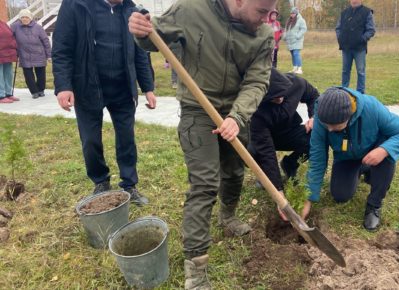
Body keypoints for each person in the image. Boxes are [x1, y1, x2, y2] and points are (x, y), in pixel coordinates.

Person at [128, 0, 277, 288]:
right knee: (205, 184)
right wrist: (141, 31)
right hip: (198, 109)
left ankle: (228, 215)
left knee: (234, 173)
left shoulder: (263, 35)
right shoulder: (192, 9)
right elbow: (153, 37)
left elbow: (258, 81)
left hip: (236, 110)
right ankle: (195, 270)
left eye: (270, 12)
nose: (265, 19)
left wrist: (237, 116)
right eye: (261, 11)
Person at [52, 0, 156, 205]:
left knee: (127, 138)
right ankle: (100, 182)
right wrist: (64, 86)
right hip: (87, 87)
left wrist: (148, 88)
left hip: (123, 87)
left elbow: (140, 52)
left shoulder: (131, 10)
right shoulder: (76, 5)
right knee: (90, 141)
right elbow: (62, 48)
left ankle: (129, 184)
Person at [306, 87, 399, 231]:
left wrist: (384, 150)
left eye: (335, 126)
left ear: (349, 116)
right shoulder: (321, 115)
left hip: (374, 151)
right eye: (327, 126)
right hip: (346, 157)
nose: (329, 130)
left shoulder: (372, 108)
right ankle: (364, 167)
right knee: (340, 195)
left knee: (387, 152)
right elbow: (318, 157)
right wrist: (309, 198)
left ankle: (374, 205)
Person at [248, 68, 318, 220]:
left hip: (289, 131)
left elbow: (313, 96)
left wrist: (314, 116)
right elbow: (266, 152)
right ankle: (266, 176)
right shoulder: (256, 111)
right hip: (264, 136)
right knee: (252, 152)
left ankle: (290, 164)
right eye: (273, 98)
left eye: (281, 95)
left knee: (314, 138)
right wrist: (278, 192)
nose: (279, 99)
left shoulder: (296, 83)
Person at [335, 0, 375, 94]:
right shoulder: (344, 13)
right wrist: (340, 39)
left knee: (360, 71)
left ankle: (360, 93)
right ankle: (344, 91)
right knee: (345, 71)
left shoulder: (367, 12)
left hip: (359, 48)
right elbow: (338, 28)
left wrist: (362, 39)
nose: (354, 1)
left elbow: (371, 30)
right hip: (346, 48)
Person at [10, 9, 51, 99]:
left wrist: (49, 55)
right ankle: (34, 91)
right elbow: (10, 38)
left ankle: (41, 90)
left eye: (27, 17)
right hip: (24, 54)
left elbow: (45, 41)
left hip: (39, 53)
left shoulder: (38, 27)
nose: (25, 19)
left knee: (41, 74)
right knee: (28, 75)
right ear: (20, 18)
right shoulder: (15, 26)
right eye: (23, 17)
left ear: (31, 18)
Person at [0, 20, 18, 103]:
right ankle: (1, 95)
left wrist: (14, 46)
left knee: (9, 74)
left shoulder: (3, 23)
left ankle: (8, 93)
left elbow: (11, 36)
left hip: (8, 53)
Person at [284, 7, 307, 74]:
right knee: (292, 54)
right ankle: (295, 68)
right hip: (290, 41)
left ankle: (300, 69)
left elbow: (304, 29)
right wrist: (285, 36)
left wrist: (298, 36)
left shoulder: (301, 20)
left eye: (293, 13)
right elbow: (286, 29)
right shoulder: (289, 21)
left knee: (296, 53)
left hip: (297, 40)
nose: (291, 14)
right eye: (291, 13)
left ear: (296, 13)